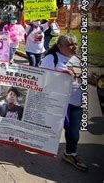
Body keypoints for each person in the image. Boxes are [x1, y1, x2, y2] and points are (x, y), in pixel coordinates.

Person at [40, 34, 87, 172]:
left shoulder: (77, 60)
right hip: (58, 102)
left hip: (76, 101)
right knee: (48, 128)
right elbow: (41, 79)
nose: (75, 47)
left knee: (73, 132)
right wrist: (59, 76)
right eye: (70, 45)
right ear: (59, 46)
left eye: (76, 44)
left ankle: (70, 154)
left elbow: (82, 78)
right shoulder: (51, 58)